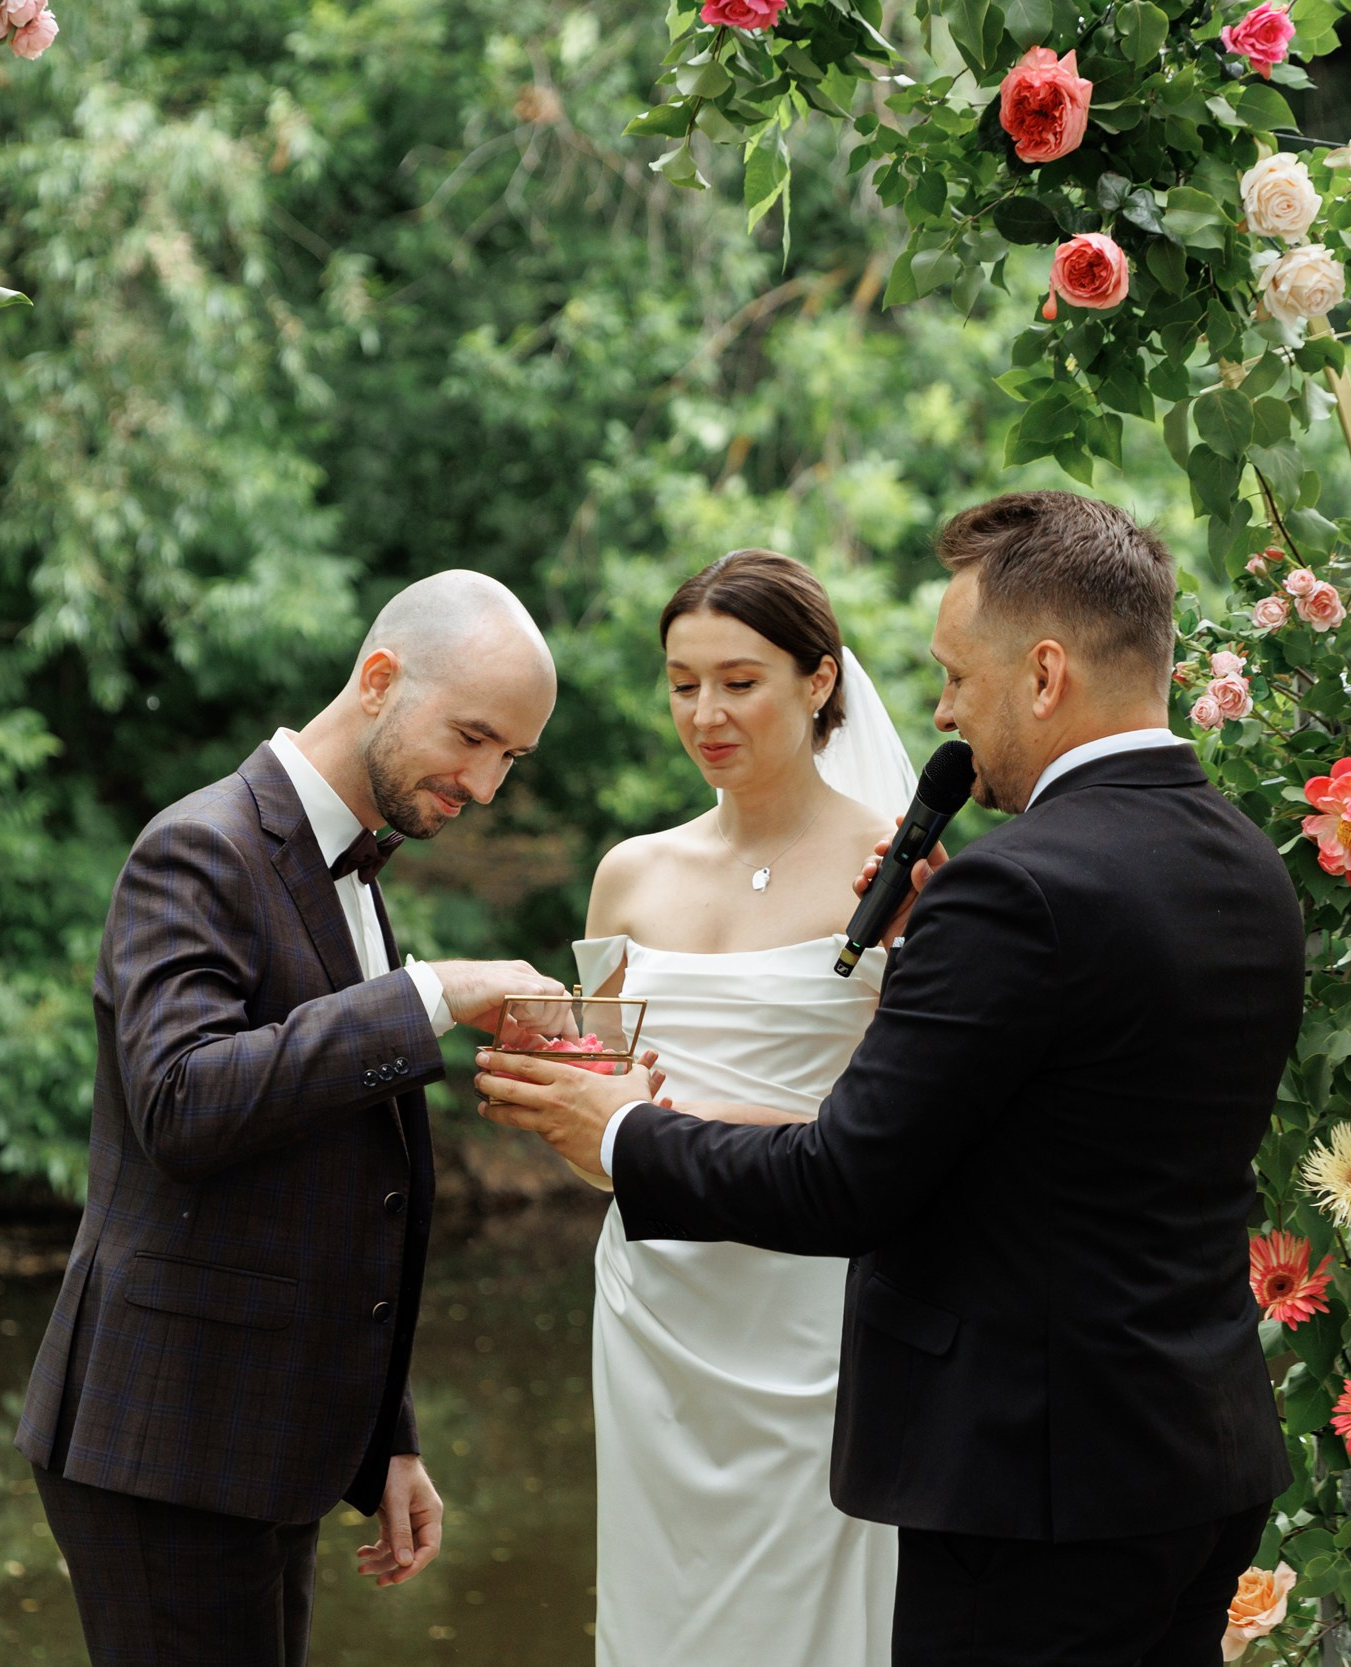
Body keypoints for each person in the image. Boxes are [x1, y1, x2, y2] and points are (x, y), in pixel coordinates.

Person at [479, 493, 1308, 1667]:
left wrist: (623, 1135)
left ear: (1045, 673)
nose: (941, 709)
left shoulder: (1015, 887)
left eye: (958, 674)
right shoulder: (1241, 859)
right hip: (1198, 1454)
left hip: (1035, 1486)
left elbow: (845, 1183)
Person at [16, 570, 570, 1667]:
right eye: (473, 737)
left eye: (511, 756)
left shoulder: (356, 868)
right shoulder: (200, 847)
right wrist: (427, 995)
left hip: (264, 1443)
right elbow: (180, 1101)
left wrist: (386, 1442)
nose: (487, 783)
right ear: (377, 679)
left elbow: (349, 1191)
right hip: (164, 1446)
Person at [574, 550, 918, 1667]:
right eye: (682, 683)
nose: (705, 713)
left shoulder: (895, 872)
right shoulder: (629, 872)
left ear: (819, 681)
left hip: (816, 1308)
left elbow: (912, 1131)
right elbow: (590, 1117)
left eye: (739, 680)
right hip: (654, 1307)